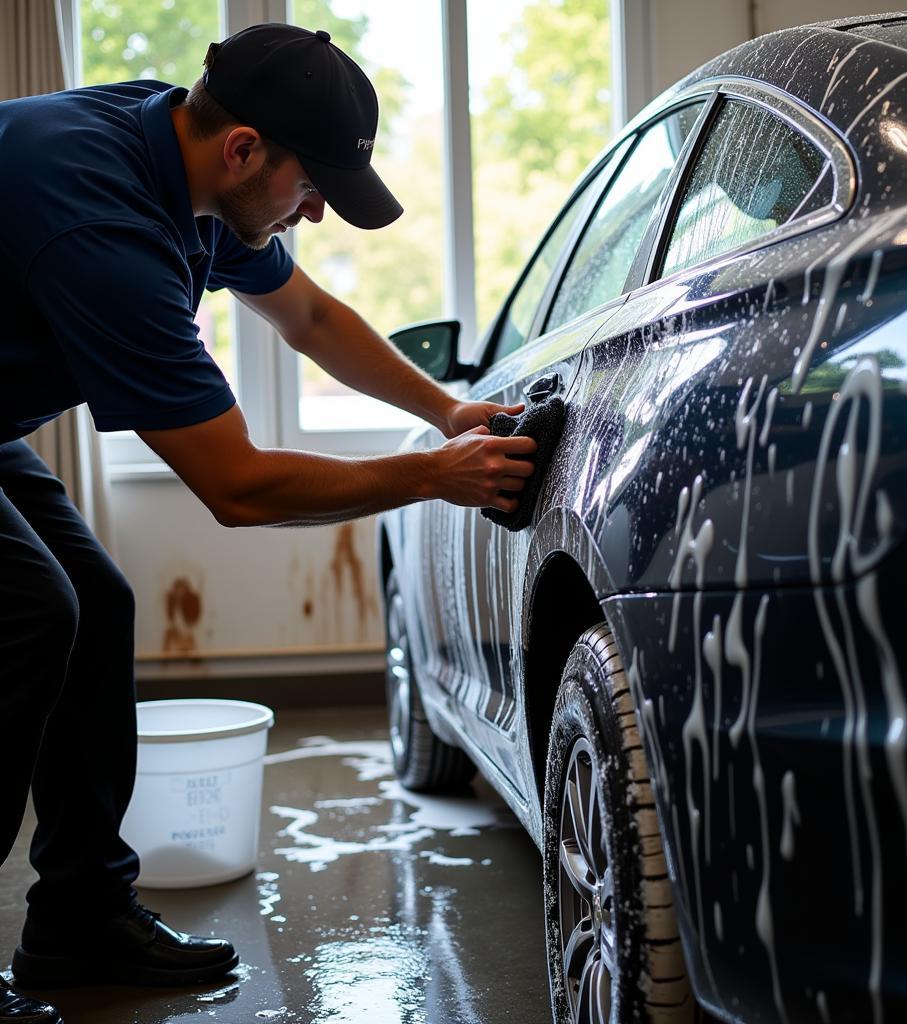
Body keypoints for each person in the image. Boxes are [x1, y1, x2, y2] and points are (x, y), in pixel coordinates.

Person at [0, 22, 537, 1024]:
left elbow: (313, 319)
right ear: (244, 148)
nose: (317, 212)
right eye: (312, 185)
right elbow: (237, 485)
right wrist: (435, 474)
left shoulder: (191, 165)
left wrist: (447, 412)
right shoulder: (105, 227)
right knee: (30, 614)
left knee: (94, 605)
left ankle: (76, 920)